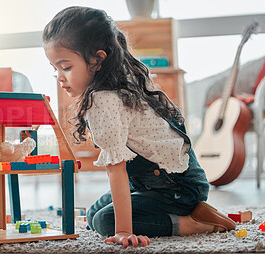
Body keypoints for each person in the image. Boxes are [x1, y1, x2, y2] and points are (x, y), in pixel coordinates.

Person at [43, 6, 236, 248]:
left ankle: (193, 222)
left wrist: (124, 230)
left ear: (98, 59)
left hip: (176, 187)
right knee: (93, 215)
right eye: (55, 70)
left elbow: (117, 170)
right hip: (163, 181)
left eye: (66, 67)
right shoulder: (119, 77)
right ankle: (186, 211)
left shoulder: (104, 101)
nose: (60, 78)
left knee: (106, 221)